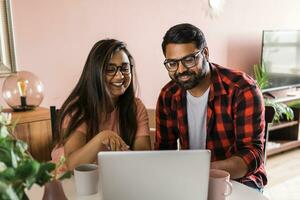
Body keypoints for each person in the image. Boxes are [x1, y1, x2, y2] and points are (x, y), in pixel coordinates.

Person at [155, 23, 266, 190]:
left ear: (205, 53)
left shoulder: (242, 89)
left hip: (239, 180)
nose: (181, 70)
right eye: (172, 63)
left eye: (189, 60)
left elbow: (252, 153)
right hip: (190, 179)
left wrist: (203, 170)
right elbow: (164, 152)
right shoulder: (168, 95)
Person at [52, 39, 151, 171]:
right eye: (110, 69)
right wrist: (102, 138)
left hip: (112, 178)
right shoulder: (78, 108)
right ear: (95, 73)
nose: (120, 76)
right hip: (70, 181)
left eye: (125, 68)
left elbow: (143, 158)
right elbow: (72, 165)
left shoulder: (136, 107)